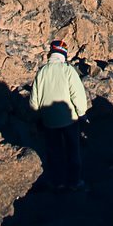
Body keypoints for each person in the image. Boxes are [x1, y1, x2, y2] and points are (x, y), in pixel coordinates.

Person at [29, 39, 88, 191]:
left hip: (49, 121)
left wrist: (39, 116)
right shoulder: (68, 70)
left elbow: (34, 103)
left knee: (54, 152)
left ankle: (58, 182)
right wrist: (82, 114)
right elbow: (78, 95)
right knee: (73, 149)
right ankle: (74, 182)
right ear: (64, 54)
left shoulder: (42, 72)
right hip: (70, 120)